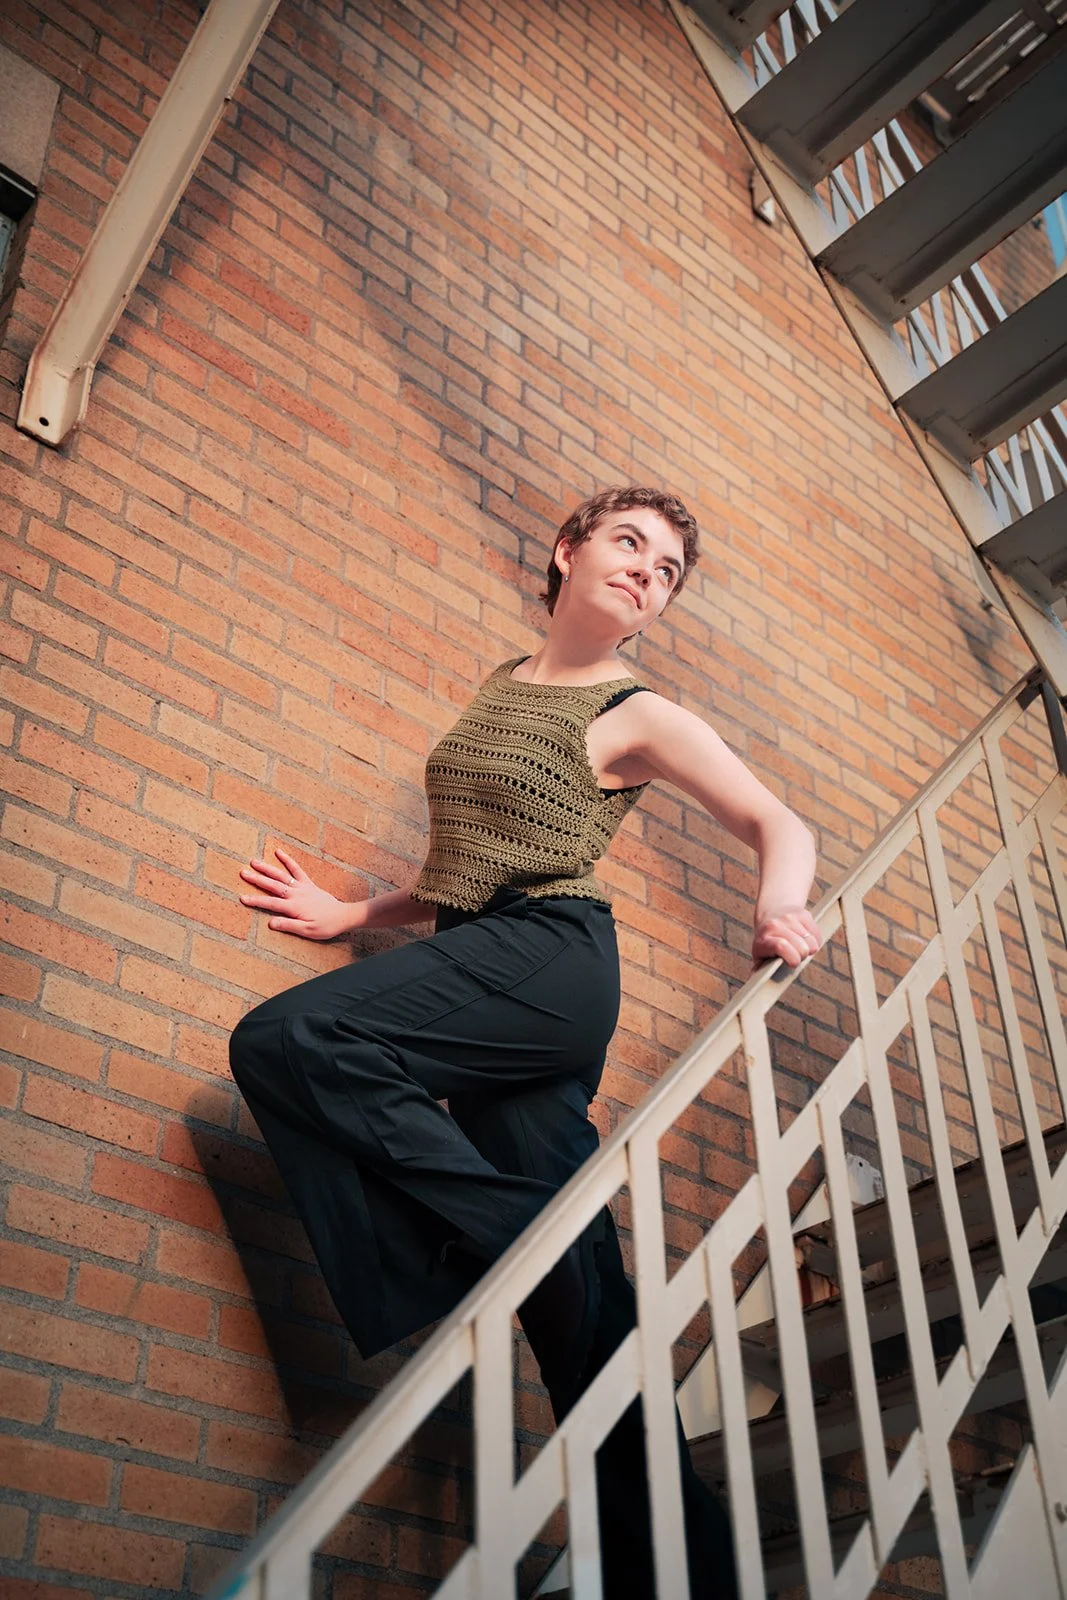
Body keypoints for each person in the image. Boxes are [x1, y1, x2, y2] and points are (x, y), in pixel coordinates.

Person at [228, 485, 822, 1597]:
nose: (647, 570)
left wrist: (772, 909)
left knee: (284, 1038)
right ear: (567, 550)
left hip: (550, 962)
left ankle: (474, 1248)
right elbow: (467, 869)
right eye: (628, 543)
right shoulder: (503, 685)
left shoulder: (637, 711)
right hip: (495, 961)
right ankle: (692, 1577)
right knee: (580, 1313)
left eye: (666, 570)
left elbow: (774, 822)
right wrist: (354, 915)